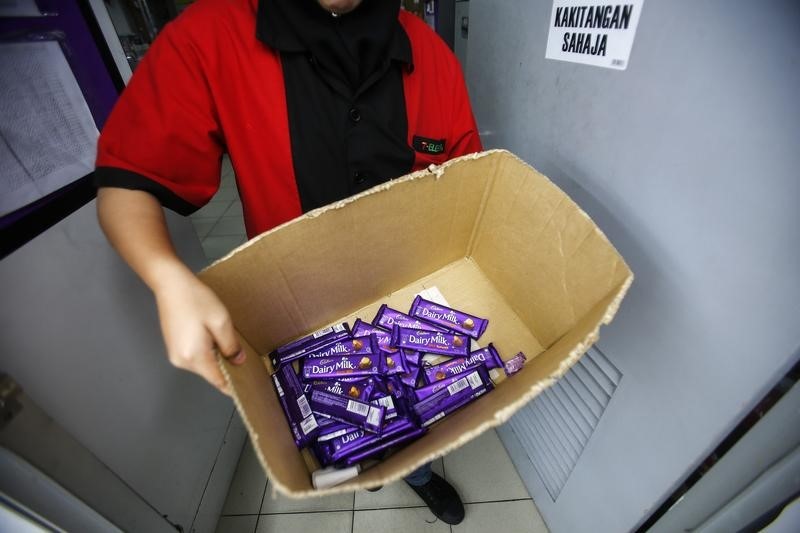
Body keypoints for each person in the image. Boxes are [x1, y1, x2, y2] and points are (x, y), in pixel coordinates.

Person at [95, 0, 481, 525]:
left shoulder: (434, 58)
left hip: (404, 305)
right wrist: (166, 277)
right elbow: (126, 175)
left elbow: (466, 188)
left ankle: (417, 473)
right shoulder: (210, 35)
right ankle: (363, 463)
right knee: (341, 424)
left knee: (415, 420)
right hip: (298, 312)